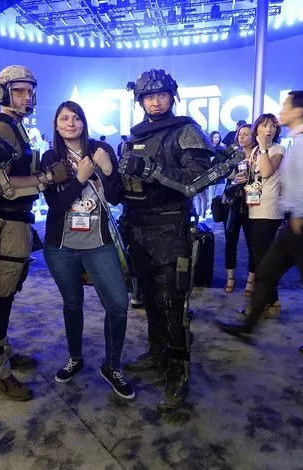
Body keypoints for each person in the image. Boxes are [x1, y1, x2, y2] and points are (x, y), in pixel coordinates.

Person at [217, 91, 303, 366]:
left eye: (285, 106)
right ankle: (248, 327)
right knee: (266, 271)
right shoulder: (302, 141)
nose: (281, 111)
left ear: (298, 110)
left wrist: (298, 220)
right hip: (301, 222)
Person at [119, 69, 213, 411]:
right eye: (148, 96)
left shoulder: (185, 130)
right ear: (140, 100)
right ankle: (157, 353)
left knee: (174, 305)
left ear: (172, 96)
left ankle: (179, 372)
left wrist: (155, 172)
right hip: (139, 229)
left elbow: (198, 180)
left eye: (161, 95)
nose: (155, 101)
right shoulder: (134, 137)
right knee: (150, 301)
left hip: (172, 231)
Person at [0, 65, 71, 402]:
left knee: (8, 292)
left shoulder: (15, 127)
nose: (27, 97)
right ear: (3, 92)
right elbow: (1, 187)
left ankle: (2, 351)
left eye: (30, 90)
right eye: (19, 90)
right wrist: (47, 178)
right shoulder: (1, 127)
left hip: (17, 223)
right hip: (5, 222)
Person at [41, 101, 133, 399]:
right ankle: (75, 357)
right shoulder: (50, 157)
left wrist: (107, 171)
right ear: (56, 125)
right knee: (72, 303)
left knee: (118, 304)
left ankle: (112, 365)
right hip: (62, 247)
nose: (70, 123)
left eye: (76, 118)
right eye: (64, 119)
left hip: (98, 243)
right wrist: (80, 178)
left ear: (83, 122)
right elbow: (54, 207)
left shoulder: (101, 150)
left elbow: (118, 198)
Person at [241, 113, 286, 315]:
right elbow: (256, 180)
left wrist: (264, 147)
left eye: (273, 126)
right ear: (257, 128)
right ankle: (273, 300)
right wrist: (243, 179)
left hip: (269, 210)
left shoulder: (276, 149)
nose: (269, 129)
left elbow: (267, 172)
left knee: (261, 258)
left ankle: (261, 304)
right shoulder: (256, 151)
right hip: (255, 207)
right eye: (265, 125)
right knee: (262, 257)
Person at [222, 124, 255, 295]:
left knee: (252, 243)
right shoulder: (233, 156)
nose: (241, 137)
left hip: (253, 203)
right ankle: (230, 278)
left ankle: (251, 280)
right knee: (230, 241)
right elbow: (223, 174)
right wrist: (233, 178)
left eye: (246, 134)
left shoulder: (259, 154)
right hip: (233, 203)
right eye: (240, 134)